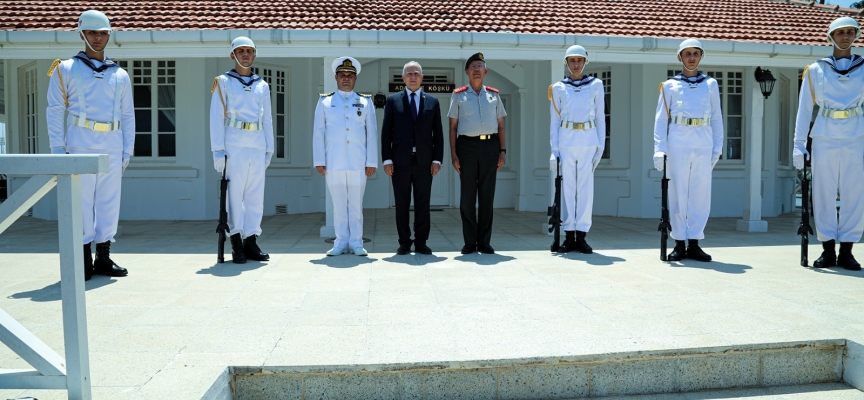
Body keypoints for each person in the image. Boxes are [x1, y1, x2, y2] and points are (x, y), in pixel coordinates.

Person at [47, 10, 133, 280]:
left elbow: (128, 114)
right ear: (82, 33)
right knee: (81, 204)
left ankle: (103, 258)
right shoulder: (65, 69)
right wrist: (58, 149)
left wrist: (127, 148)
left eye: (104, 32)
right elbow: (54, 109)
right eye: (93, 32)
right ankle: (83, 258)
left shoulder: (119, 74)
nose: (98, 38)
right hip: (80, 143)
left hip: (112, 144)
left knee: (109, 203)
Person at [794, 17, 864, 271]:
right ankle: (827, 249)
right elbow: (804, 111)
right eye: (839, 32)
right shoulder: (815, 70)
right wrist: (798, 144)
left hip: (856, 135)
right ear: (830, 37)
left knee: (854, 194)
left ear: (855, 35)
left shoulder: (863, 67)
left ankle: (847, 250)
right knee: (822, 193)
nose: (845, 37)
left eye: (849, 32)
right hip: (824, 135)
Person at [653, 39, 723, 262]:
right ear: (680, 57)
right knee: (678, 193)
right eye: (687, 54)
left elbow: (716, 118)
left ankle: (694, 242)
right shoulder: (669, 85)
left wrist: (718, 147)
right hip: (678, 142)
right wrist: (659, 149)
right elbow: (661, 119)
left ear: (701, 56)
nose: (691, 57)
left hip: (703, 142)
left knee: (700, 195)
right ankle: (678, 242)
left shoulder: (711, 84)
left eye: (695, 53)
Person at [209, 36, 274, 264]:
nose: (246, 54)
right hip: (233, 143)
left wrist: (269, 148)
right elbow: (216, 118)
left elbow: (267, 119)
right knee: (234, 196)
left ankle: (251, 240)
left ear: (254, 55)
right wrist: (217, 150)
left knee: (255, 196)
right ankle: (236, 240)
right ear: (232, 55)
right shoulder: (223, 82)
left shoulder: (262, 85)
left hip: (257, 143)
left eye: (249, 50)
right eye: (241, 50)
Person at [313, 57, 378, 256]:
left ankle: (357, 242)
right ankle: (340, 242)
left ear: (355, 78)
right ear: (336, 77)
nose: (346, 79)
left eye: (350, 76)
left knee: (356, 205)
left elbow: (372, 134)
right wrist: (319, 161)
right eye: (342, 75)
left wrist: (371, 161)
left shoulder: (365, 102)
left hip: (358, 162)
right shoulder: (325, 101)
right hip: (334, 161)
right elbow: (318, 132)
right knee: (339, 205)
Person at [381, 61, 444, 255]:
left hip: (425, 162)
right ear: (403, 78)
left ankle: (421, 242)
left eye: (416, 73)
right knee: (401, 203)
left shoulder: (433, 102)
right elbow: (386, 133)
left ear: (422, 77)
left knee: (423, 204)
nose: (413, 76)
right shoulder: (393, 101)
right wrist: (387, 159)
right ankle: (404, 242)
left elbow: (438, 133)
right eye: (409, 74)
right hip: (400, 162)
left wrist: (437, 159)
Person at [448, 52, 508, 255]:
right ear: (467, 71)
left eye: (480, 65)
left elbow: (501, 126)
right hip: (466, 147)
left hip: (490, 147)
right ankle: (469, 242)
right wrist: (454, 154)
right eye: (472, 66)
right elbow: (453, 127)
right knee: (467, 198)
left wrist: (502, 151)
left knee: (487, 196)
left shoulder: (494, 95)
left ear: (485, 70)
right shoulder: (458, 95)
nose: (476, 69)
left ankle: (484, 242)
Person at [548, 45, 606, 254]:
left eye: (579, 60)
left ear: (585, 62)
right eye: (572, 60)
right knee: (567, 190)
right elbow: (554, 122)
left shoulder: (596, 85)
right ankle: (568, 233)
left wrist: (600, 147)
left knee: (585, 190)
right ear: (566, 63)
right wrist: (554, 151)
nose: (576, 64)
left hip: (588, 141)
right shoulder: (558, 87)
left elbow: (600, 118)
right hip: (566, 140)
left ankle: (581, 234)